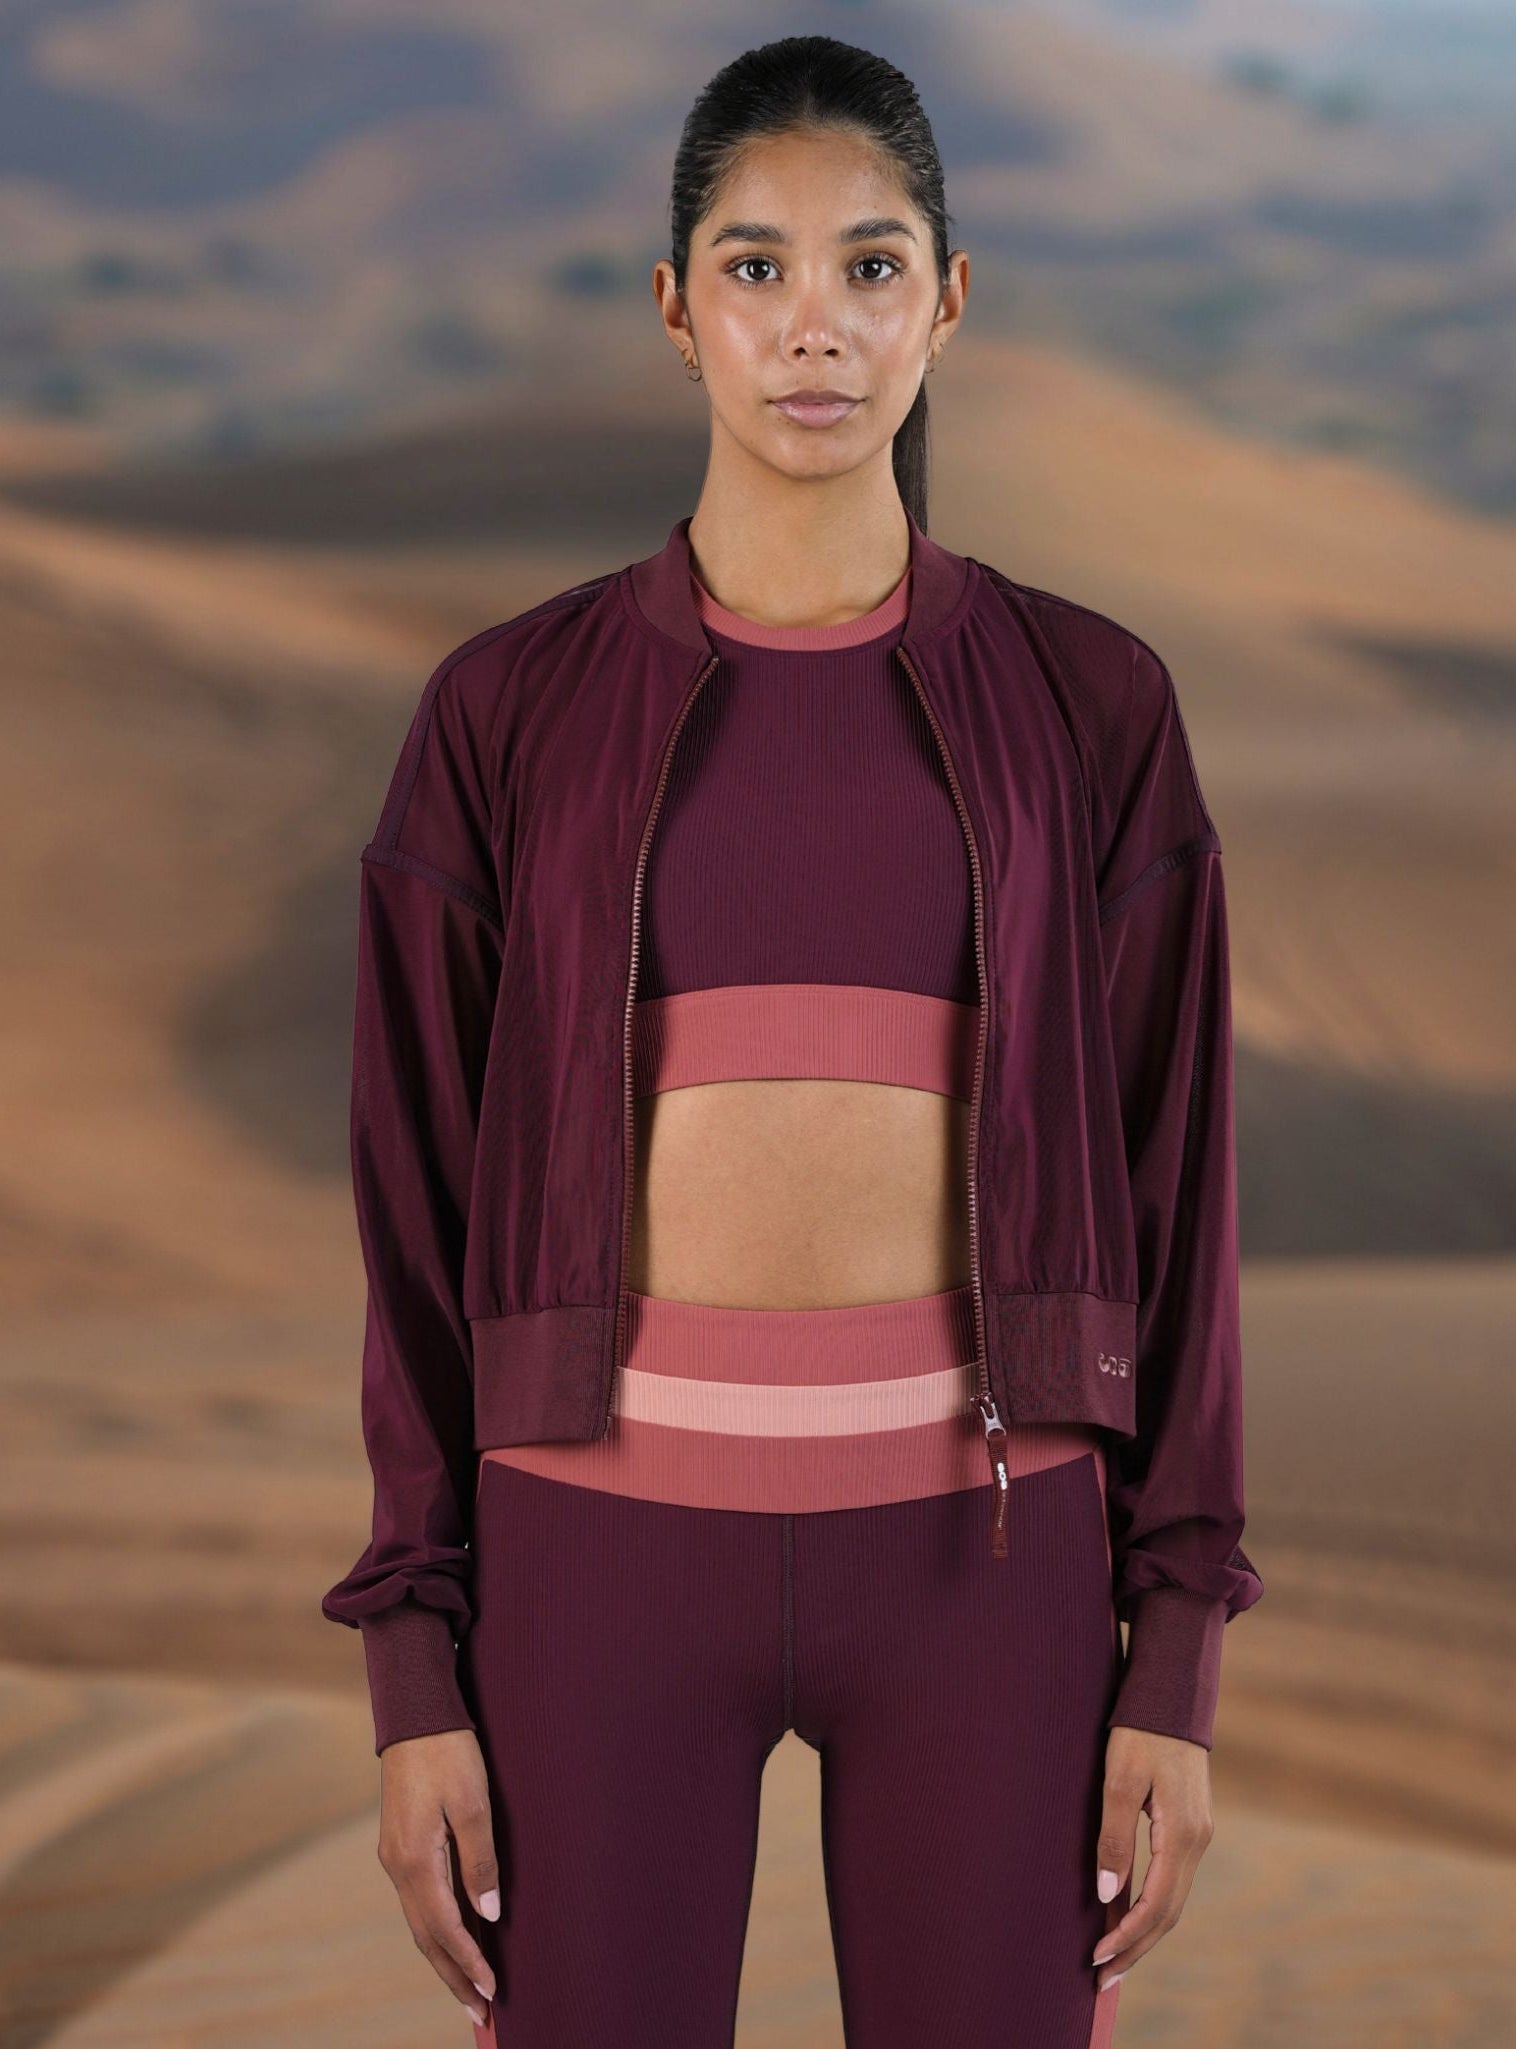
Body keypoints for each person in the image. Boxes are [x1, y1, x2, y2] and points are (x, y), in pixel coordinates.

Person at [320, 33, 1263, 2048]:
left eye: (866, 264)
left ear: (949, 297)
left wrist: (1171, 1654)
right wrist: (417, 1663)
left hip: (991, 1565)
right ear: (675, 312)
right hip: (588, 1557)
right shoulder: (505, 713)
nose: (810, 327)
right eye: (753, 268)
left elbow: (1177, 1185)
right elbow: (409, 1205)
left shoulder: (1091, 703)